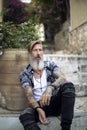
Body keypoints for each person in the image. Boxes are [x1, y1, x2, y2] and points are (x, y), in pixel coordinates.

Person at [19, 40, 75, 130]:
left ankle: (66, 127)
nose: (38, 53)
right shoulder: (25, 73)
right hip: (39, 105)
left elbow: (62, 78)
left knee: (68, 86)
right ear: (29, 53)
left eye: (40, 50)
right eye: (35, 50)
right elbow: (29, 95)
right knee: (24, 115)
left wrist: (50, 87)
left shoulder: (50, 65)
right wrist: (38, 108)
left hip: (54, 102)